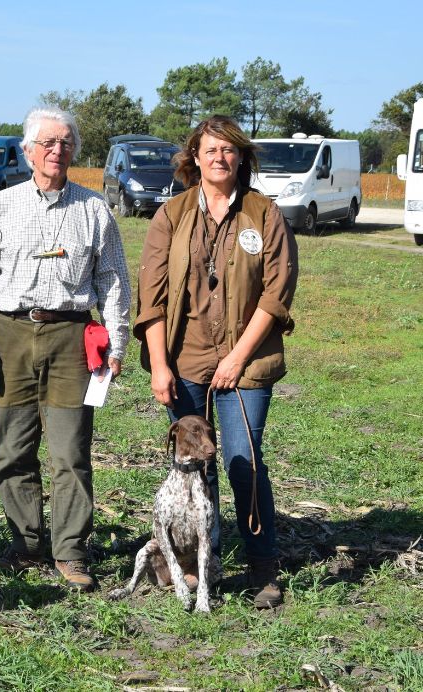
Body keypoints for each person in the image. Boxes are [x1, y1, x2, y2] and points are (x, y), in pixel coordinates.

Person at [0, 106, 131, 590]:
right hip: (10, 334)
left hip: (72, 338)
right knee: (13, 449)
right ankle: (26, 545)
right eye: (48, 143)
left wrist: (116, 343)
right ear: (29, 151)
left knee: (70, 451)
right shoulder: (1, 206)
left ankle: (71, 551)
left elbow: (113, 281)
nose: (58, 151)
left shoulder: (94, 209)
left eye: (66, 143)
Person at [133, 115, 298, 608]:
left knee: (241, 464)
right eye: (210, 150)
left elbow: (276, 294)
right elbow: (152, 296)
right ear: (194, 158)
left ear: (241, 158)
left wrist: (237, 359)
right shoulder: (173, 214)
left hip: (245, 365)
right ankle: (197, 564)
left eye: (229, 151)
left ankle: (263, 566)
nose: (219, 159)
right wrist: (160, 366)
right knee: (191, 468)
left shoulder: (263, 214)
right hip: (184, 362)